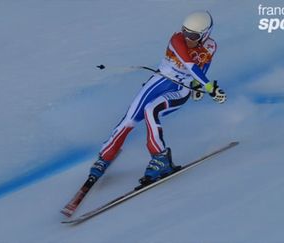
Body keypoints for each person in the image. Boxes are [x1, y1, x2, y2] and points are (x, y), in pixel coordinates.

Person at [89, 11, 227, 185]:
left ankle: (160, 157)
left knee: (151, 110)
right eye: (185, 31)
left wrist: (196, 85)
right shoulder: (177, 40)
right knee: (129, 119)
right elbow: (190, 65)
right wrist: (208, 86)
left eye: (192, 35)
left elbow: (203, 67)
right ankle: (105, 156)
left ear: (205, 34)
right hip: (159, 81)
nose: (187, 37)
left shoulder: (211, 46)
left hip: (180, 89)